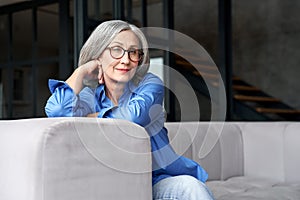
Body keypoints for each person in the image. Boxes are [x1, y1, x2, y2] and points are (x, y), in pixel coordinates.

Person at [45, 20, 214, 200]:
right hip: (110, 184)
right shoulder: (89, 96)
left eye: (133, 52)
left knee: (190, 188)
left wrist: (88, 117)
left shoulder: (150, 84)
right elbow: (57, 112)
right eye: (116, 50)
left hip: (155, 181)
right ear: (98, 56)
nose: (126, 60)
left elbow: (133, 118)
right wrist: (81, 72)